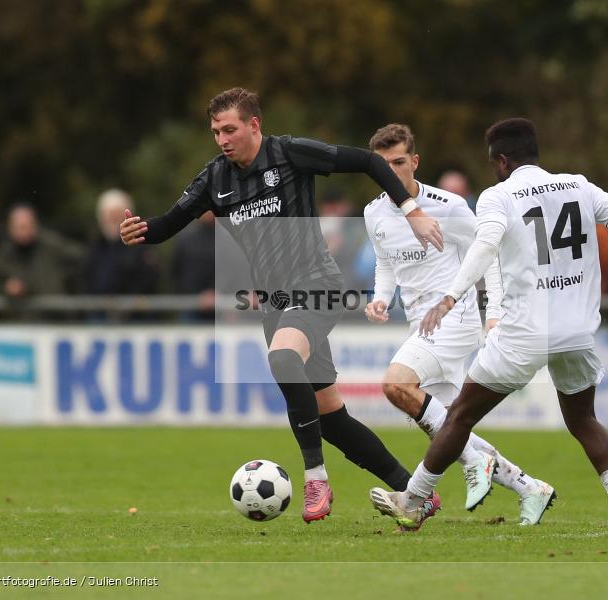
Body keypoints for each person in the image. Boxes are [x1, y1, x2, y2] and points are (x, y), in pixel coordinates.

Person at [120, 87, 443, 523]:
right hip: (275, 305)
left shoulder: (289, 153)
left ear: (254, 125)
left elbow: (367, 161)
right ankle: (412, 489)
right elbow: (167, 225)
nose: (221, 139)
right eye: (215, 131)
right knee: (331, 419)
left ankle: (316, 480)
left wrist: (410, 209)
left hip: (317, 285)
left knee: (283, 357)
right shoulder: (214, 179)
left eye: (229, 129)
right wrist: (140, 230)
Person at [369, 118, 608, 536]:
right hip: (578, 334)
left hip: (523, 335)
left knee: (458, 420)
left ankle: (413, 501)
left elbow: (484, 246)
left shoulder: (498, 196)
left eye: (493, 163)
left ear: (502, 161)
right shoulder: (578, 185)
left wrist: (451, 296)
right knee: (584, 422)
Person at [364, 123, 554, 524]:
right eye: (383, 166)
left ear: (415, 161)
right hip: (420, 325)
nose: (392, 171)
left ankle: (433, 488)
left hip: (454, 318)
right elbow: (385, 263)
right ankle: (529, 487)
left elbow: (492, 257)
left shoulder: (447, 206)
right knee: (450, 424)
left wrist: (496, 312)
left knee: (396, 385)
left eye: (399, 162)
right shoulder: (373, 212)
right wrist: (380, 298)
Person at [0, 203, 84, 301]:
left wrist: (63, 280)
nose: (23, 231)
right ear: (10, 228)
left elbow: (80, 257)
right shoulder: (3, 254)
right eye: (19, 227)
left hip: (53, 310)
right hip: (22, 312)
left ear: (35, 225)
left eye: (25, 226)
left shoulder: (52, 245)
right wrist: (7, 288)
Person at [84, 189, 159, 298]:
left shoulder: (141, 245)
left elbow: (149, 279)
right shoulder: (94, 246)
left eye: (117, 214)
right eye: (109, 214)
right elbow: (86, 278)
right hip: (98, 309)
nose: (113, 219)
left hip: (135, 310)